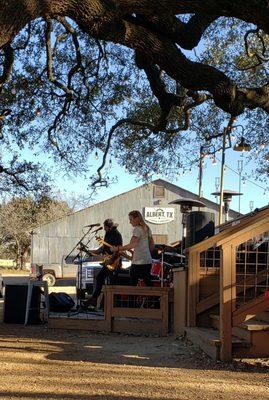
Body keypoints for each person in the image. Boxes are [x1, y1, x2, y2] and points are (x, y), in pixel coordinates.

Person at [83, 218, 123, 308]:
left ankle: (110, 305)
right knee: (100, 278)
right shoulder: (108, 234)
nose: (104, 229)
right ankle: (96, 301)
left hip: (114, 262)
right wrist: (92, 252)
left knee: (111, 283)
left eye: (105, 227)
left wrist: (112, 260)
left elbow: (118, 249)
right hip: (108, 262)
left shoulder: (117, 235)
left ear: (108, 227)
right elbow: (104, 247)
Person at [112, 210, 154, 286]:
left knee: (132, 284)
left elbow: (133, 245)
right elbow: (152, 244)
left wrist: (117, 249)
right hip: (147, 260)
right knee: (148, 283)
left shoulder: (137, 229)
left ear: (137, 218)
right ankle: (156, 297)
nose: (130, 222)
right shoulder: (147, 228)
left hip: (138, 261)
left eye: (131, 219)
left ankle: (132, 298)